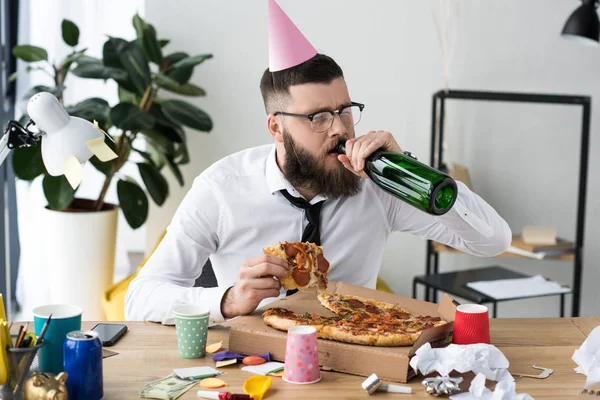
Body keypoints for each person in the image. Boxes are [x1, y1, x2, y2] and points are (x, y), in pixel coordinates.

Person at [125, 1, 511, 326]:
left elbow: (493, 241)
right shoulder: (222, 187)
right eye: (318, 117)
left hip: (353, 353)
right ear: (276, 128)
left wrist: (412, 172)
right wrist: (226, 300)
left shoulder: (377, 182)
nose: (340, 129)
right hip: (250, 364)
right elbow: (140, 298)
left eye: (345, 111)